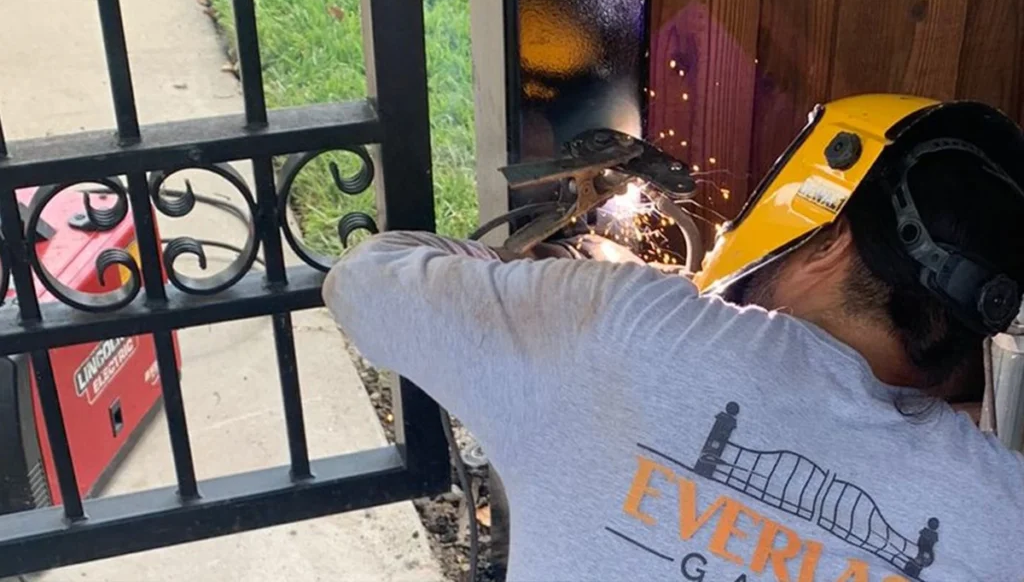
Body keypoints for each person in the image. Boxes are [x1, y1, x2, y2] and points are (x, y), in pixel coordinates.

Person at [323, 95, 1024, 581]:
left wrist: (570, 284)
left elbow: (363, 282)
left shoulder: (620, 324)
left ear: (831, 241)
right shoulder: (1004, 513)